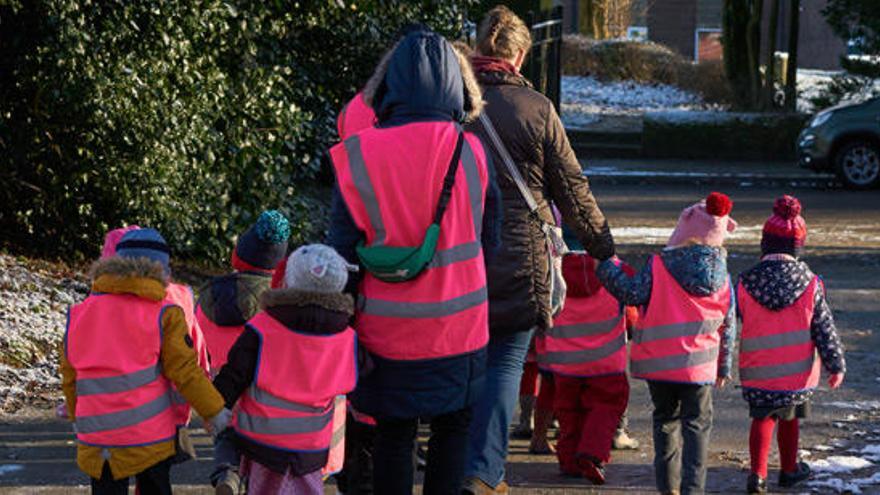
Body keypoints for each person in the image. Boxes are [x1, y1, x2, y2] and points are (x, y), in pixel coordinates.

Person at [328, 28, 501, 495]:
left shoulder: (358, 155)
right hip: (462, 329)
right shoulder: (473, 153)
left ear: (385, 87)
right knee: (452, 432)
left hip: (386, 333)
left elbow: (340, 254)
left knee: (392, 437)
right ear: (459, 85)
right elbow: (493, 240)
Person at [462, 6, 615, 494]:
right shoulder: (537, 109)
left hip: (459, 253)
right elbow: (572, 189)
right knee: (507, 363)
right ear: (521, 54)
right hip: (520, 258)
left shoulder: (452, 105)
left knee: (466, 361)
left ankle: (461, 465)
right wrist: (601, 245)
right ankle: (485, 473)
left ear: (479, 48)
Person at [60, 228, 230, 495]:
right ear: (161, 271)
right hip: (149, 436)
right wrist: (215, 411)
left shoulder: (80, 314)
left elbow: (70, 377)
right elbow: (186, 372)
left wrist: (75, 416)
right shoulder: (165, 315)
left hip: (97, 437)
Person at [597, 192, 738, 495]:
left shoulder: (658, 266)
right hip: (700, 368)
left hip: (659, 364)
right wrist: (724, 365)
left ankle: (667, 488)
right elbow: (729, 324)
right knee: (697, 428)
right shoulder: (723, 277)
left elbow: (632, 293)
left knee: (664, 423)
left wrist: (606, 267)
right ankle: (693, 489)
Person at [210, 244, 358, 495]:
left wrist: (215, 406)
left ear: (290, 278)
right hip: (312, 443)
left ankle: (227, 474)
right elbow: (359, 380)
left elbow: (236, 372)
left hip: (262, 438)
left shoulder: (263, 327)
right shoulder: (347, 337)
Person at [738, 195, 846, 494]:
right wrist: (834, 364)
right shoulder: (810, 283)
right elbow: (824, 327)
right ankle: (788, 470)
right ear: (798, 247)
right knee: (789, 418)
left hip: (757, 368)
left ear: (765, 243)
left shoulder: (746, 281)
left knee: (761, 417)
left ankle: (757, 476)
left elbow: (730, 319)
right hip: (795, 370)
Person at [194, 210, 290, 492]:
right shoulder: (281, 303)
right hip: (266, 394)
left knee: (227, 437)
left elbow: (199, 345)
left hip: (222, 390)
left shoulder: (209, 297)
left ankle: (227, 472)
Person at [536, 250, 637, 485]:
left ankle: (569, 461)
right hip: (607, 362)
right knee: (606, 407)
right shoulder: (616, 271)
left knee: (569, 412)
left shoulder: (553, 271)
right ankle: (592, 453)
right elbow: (632, 309)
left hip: (564, 362)